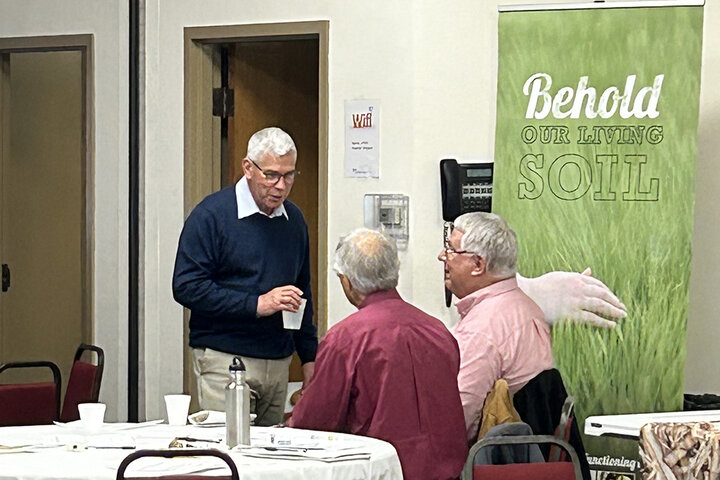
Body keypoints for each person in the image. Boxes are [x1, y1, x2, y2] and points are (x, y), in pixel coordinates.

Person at [290, 229, 468, 480]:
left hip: (380, 471)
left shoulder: (346, 338)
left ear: (347, 281)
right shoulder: (438, 331)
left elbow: (315, 422)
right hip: (447, 473)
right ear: (394, 271)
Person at [172, 127, 317, 426]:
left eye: (289, 176)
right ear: (248, 168)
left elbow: (302, 293)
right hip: (225, 357)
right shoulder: (211, 215)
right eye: (271, 175)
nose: (280, 186)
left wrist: (310, 358)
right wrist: (256, 304)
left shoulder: (294, 220)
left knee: (272, 460)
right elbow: (186, 287)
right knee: (233, 455)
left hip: (279, 361)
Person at [438, 211, 554, 442]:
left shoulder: (481, 330)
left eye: (451, 250)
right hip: (531, 454)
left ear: (478, 264)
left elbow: (457, 421)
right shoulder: (528, 308)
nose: (442, 256)